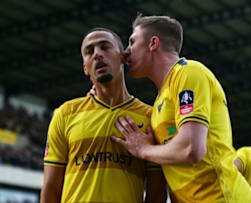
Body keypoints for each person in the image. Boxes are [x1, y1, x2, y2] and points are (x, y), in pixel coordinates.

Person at [111, 14, 251, 202]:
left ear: (153, 43)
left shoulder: (188, 72)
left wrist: (143, 149)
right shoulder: (159, 102)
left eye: (132, 42)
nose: (127, 51)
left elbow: (191, 148)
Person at [40, 27, 166, 203]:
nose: (97, 54)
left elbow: (157, 192)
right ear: (85, 67)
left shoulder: (151, 117)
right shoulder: (65, 114)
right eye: (89, 51)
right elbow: (51, 187)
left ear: (123, 57)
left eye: (105, 47)